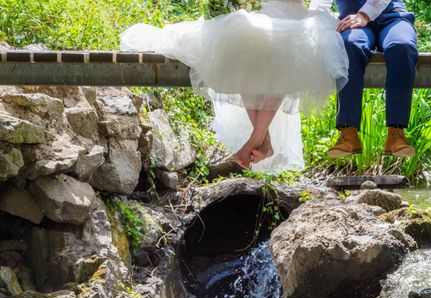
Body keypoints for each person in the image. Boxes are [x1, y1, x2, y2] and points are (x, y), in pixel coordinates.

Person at [120, 0, 349, 173]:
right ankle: (262, 138)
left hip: (299, 17)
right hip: (263, 13)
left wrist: (316, 16)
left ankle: (257, 138)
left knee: (287, 52)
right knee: (240, 43)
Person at [310, 0, 418, 158]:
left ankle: (396, 134)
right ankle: (348, 133)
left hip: (391, 17)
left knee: (402, 46)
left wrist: (364, 14)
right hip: (352, 19)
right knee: (349, 45)